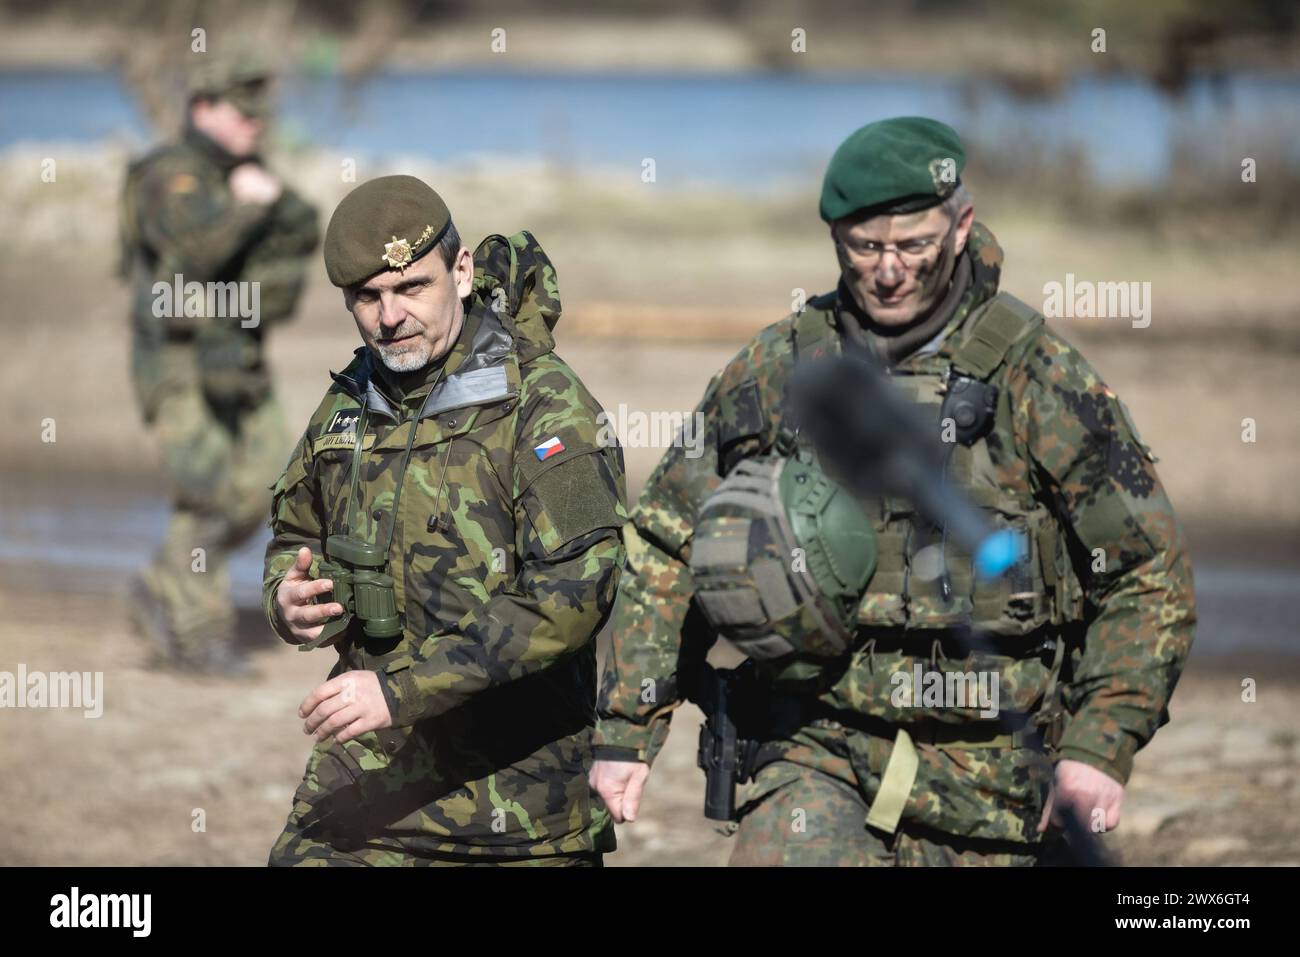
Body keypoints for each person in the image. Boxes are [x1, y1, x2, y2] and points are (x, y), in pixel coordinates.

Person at [589, 116, 1196, 866]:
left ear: (961, 224)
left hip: (1001, 774)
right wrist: (627, 728)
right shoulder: (782, 369)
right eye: (865, 247)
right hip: (815, 748)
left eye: (913, 245)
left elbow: (1146, 575)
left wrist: (1099, 746)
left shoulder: (1040, 381)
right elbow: (666, 541)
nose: (887, 271)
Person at [263, 175, 626, 865]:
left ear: (461, 273)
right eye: (367, 298)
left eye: (411, 288)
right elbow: (293, 535)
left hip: (517, 810)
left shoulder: (547, 406)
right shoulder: (346, 403)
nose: (389, 317)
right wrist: (288, 598)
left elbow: (575, 594)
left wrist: (399, 691)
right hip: (367, 787)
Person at [119, 54, 319, 676]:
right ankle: (195, 634)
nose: (256, 122)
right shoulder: (167, 175)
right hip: (179, 367)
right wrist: (250, 209)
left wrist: (266, 206)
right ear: (202, 109)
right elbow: (190, 255)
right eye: (241, 110)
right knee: (207, 496)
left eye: (261, 111)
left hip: (239, 362)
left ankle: (162, 584)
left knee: (267, 489)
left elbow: (304, 225)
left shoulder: (246, 175)